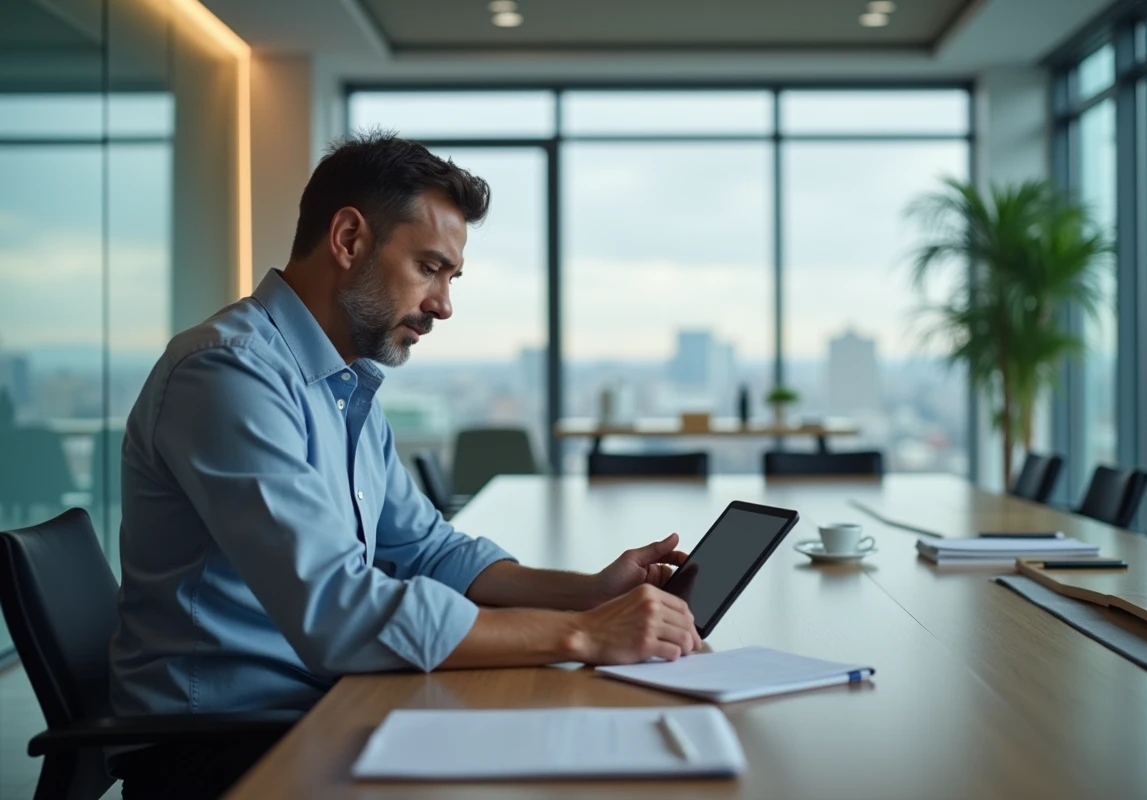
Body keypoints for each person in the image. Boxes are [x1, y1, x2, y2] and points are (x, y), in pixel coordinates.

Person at [107, 131, 701, 799]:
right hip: (223, 744)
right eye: (430, 268)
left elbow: (426, 549)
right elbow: (340, 612)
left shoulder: (343, 385)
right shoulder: (227, 374)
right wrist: (585, 636)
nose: (445, 304)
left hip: (320, 705)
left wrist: (588, 592)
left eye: (450, 276)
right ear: (349, 240)